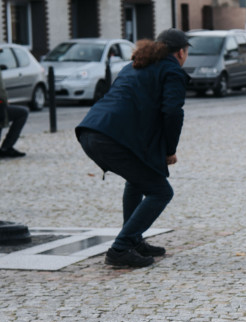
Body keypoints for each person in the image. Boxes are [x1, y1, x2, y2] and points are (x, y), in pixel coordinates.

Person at [75, 28, 190, 268]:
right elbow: (171, 113)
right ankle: (121, 248)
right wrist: (170, 150)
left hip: (91, 131)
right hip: (112, 138)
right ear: (181, 52)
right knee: (161, 192)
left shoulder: (134, 66)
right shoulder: (172, 71)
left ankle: (134, 241)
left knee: (138, 181)